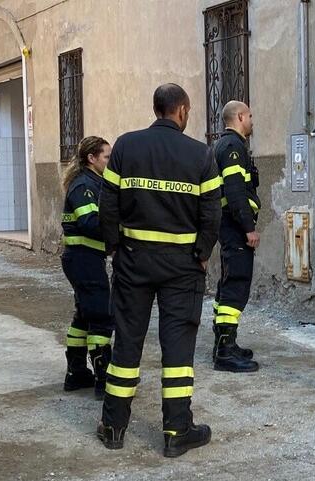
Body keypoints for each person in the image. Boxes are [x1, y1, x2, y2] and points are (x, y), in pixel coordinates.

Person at [97, 84, 222, 458]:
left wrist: (114, 246)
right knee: (178, 347)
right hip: (183, 267)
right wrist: (202, 253)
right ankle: (176, 431)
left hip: (133, 261)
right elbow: (212, 213)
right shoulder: (201, 154)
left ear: (156, 109)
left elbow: (108, 204)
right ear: (181, 110)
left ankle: (114, 427)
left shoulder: (125, 146)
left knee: (127, 342)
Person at [60, 136, 114, 399]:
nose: (110, 161)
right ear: (92, 158)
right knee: (102, 316)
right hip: (84, 259)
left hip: (83, 259)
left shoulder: (92, 182)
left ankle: (77, 372)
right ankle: (104, 379)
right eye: (106, 157)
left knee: (84, 314)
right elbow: (90, 222)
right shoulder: (84, 185)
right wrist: (118, 229)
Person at [210, 101, 260, 373]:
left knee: (228, 282)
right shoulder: (232, 147)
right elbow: (235, 190)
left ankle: (224, 342)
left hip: (228, 225)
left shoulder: (223, 145)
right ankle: (225, 352)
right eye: (249, 116)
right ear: (240, 117)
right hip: (234, 225)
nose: (252, 120)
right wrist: (248, 228)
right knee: (236, 284)